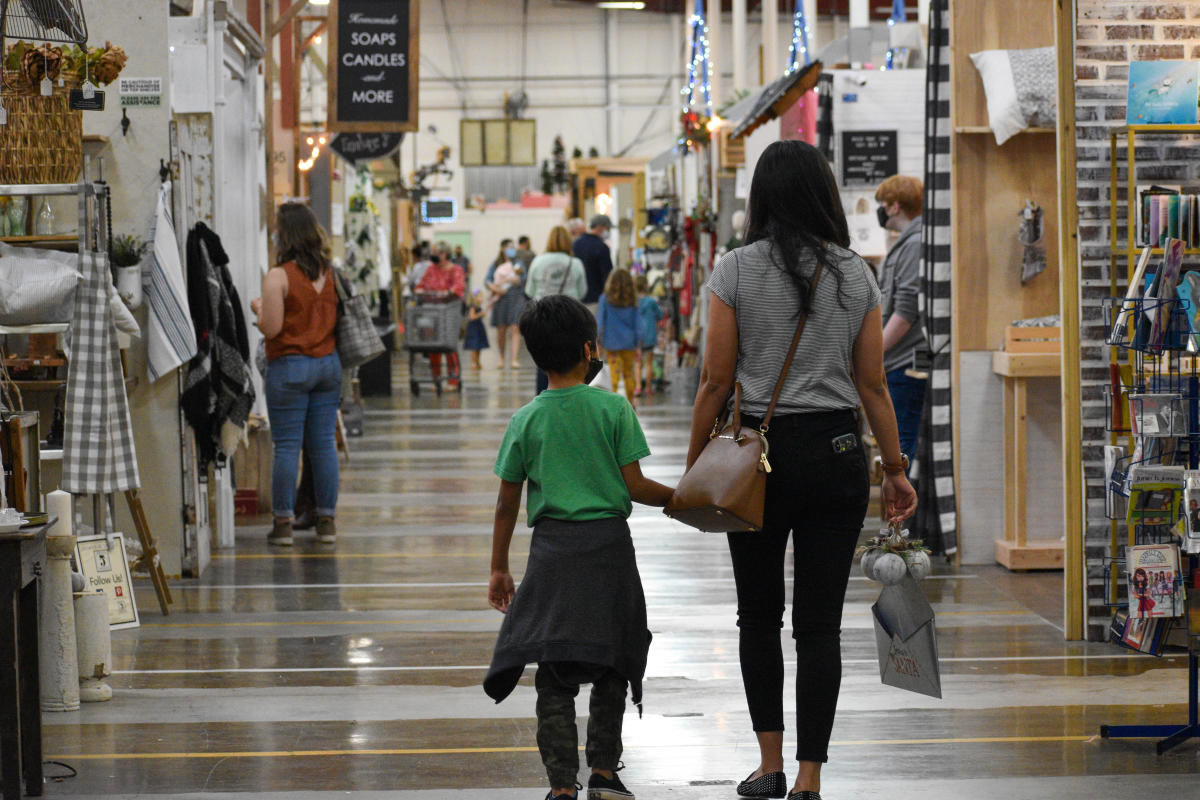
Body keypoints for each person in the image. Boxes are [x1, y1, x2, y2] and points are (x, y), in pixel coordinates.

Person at [685, 140, 917, 800]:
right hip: (838, 455)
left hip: (758, 457)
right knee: (819, 624)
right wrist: (894, 469)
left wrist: (694, 462)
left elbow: (714, 379)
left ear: (761, 198)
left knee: (758, 617)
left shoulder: (734, 271)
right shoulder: (856, 273)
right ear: (825, 194)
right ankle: (811, 776)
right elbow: (873, 384)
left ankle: (770, 763)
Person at [484, 294, 674, 800]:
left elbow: (506, 506)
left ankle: (562, 786)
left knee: (554, 669)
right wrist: (684, 499)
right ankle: (605, 775)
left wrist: (499, 568)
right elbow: (636, 486)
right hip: (609, 550)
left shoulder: (525, 420)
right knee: (614, 659)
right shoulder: (613, 407)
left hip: (552, 555)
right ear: (590, 349)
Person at [250, 203, 343, 547]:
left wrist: (259, 309)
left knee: (286, 447)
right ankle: (327, 521)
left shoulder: (279, 276)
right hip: (328, 366)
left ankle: (284, 523)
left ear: (284, 234)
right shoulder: (330, 272)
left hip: (290, 366)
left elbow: (272, 328)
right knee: (323, 446)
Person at [874, 174, 929, 468]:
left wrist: (873, 352)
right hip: (898, 362)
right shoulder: (907, 242)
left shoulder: (913, 244)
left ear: (895, 206)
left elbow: (906, 311)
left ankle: (902, 512)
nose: (881, 211)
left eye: (883, 204)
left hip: (905, 363)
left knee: (902, 445)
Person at [527, 225, 589, 394]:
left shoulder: (538, 261)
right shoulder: (575, 263)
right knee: (570, 361)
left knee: (543, 361)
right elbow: (582, 291)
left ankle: (543, 396)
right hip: (570, 320)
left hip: (542, 319)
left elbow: (529, 291)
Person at [415, 253, 466, 389]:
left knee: (449, 345)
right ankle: (436, 378)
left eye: (439, 253)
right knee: (433, 346)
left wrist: (448, 292)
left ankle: (453, 379)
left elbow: (459, 287)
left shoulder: (456, 270)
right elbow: (421, 284)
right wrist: (419, 289)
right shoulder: (431, 269)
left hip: (448, 313)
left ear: (446, 254)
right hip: (432, 312)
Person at [597, 269, 642, 403]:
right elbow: (638, 323)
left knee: (613, 374)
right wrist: (639, 344)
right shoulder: (633, 300)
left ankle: (612, 402)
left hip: (611, 343)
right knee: (628, 373)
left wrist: (599, 340)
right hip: (629, 343)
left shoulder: (605, 299)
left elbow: (600, 321)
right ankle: (631, 402)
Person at [485, 238, 526, 368]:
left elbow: (523, 278)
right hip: (501, 299)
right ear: (503, 248)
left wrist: (515, 280)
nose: (512, 250)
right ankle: (502, 357)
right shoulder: (496, 264)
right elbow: (487, 280)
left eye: (513, 247)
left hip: (516, 297)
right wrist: (495, 288)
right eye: (509, 247)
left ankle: (514, 359)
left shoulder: (518, 263)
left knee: (515, 327)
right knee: (501, 329)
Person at [574, 214, 614, 306]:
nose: (608, 232)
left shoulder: (576, 244)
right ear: (600, 227)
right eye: (607, 229)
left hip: (577, 297)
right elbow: (607, 275)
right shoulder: (602, 247)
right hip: (596, 298)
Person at [633, 274, 662, 396]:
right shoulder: (651, 302)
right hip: (650, 336)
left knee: (638, 363)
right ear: (646, 286)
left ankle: (638, 387)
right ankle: (648, 388)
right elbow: (659, 315)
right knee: (649, 362)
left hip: (637, 337)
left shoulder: (633, 302)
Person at [464, 289, 490, 370]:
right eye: (480, 297)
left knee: (479, 346)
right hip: (473, 328)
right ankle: (473, 362)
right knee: (474, 346)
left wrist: (483, 314)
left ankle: (478, 361)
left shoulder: (479, 307)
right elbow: (472, 317)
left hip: (479, 327)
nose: (482, 299)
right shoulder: (473, 307)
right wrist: (480, 314)